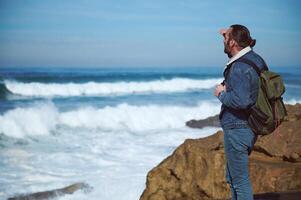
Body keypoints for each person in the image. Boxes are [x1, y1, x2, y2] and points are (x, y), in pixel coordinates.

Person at [214, 24, 267, 200]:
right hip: (249, 125)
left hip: (238, 128)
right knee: (232, 178)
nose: (223, 40)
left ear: (233, 42)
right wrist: (228, 33)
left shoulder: (239, 67)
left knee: (239, 181)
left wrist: (221, 94)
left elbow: (241, 101)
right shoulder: (255, 59)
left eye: (225, 37)